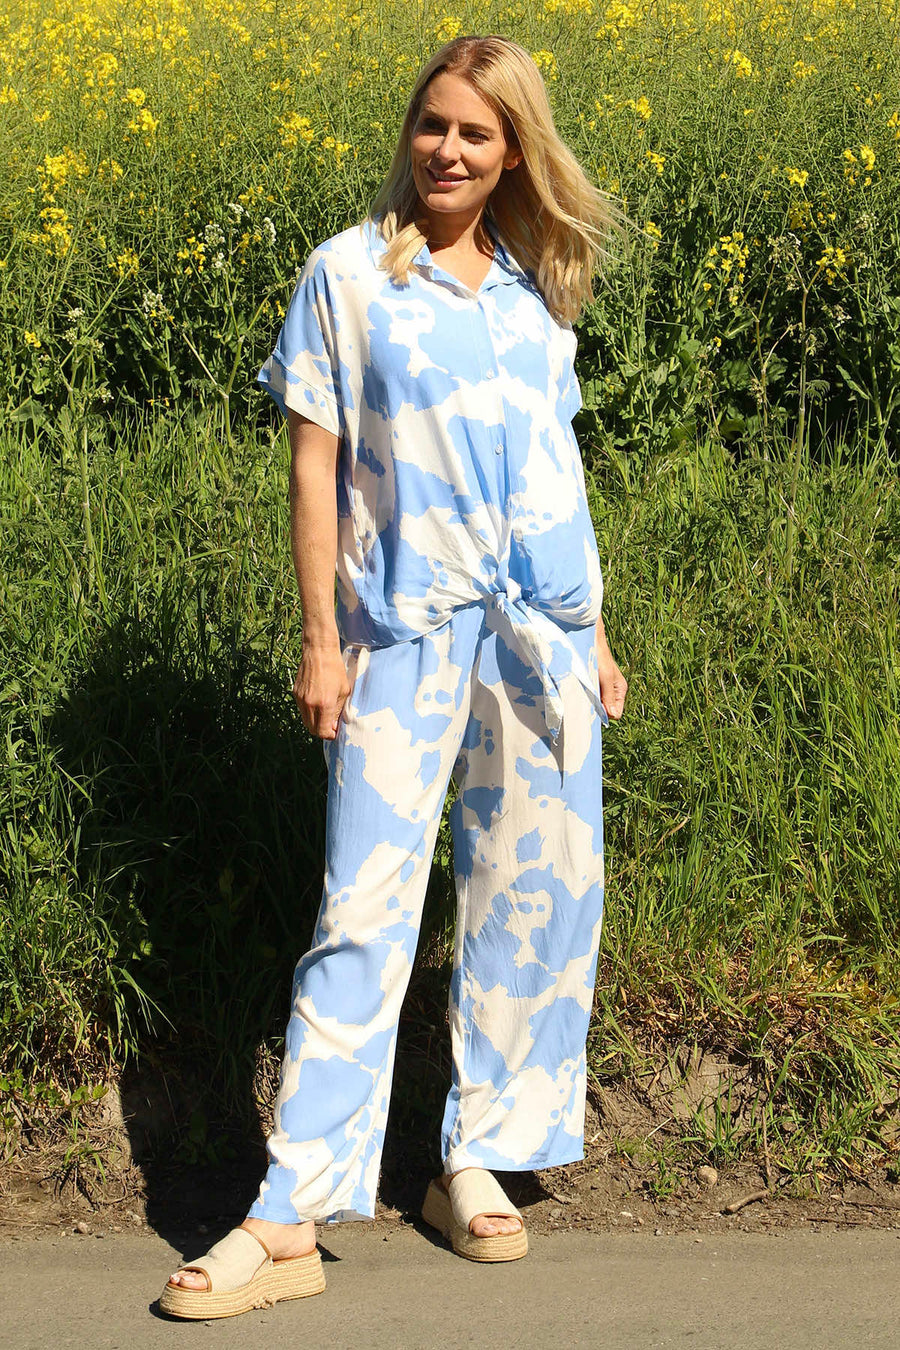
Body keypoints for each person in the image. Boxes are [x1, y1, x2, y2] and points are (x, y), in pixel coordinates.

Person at [160, 33, 628, 1320]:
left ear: (515, 152)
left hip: (537, 636)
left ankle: (473, 1158)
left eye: (477, 133)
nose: (448, 151)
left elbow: (555, 469)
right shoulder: (350, 274)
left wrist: (592, 632)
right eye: (433, 124)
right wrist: (321, 638)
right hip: (398, 630)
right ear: (408, 132)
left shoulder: (535, 294)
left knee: (534, 894)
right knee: (362, 909)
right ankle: (288, 1216)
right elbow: (314, 466)